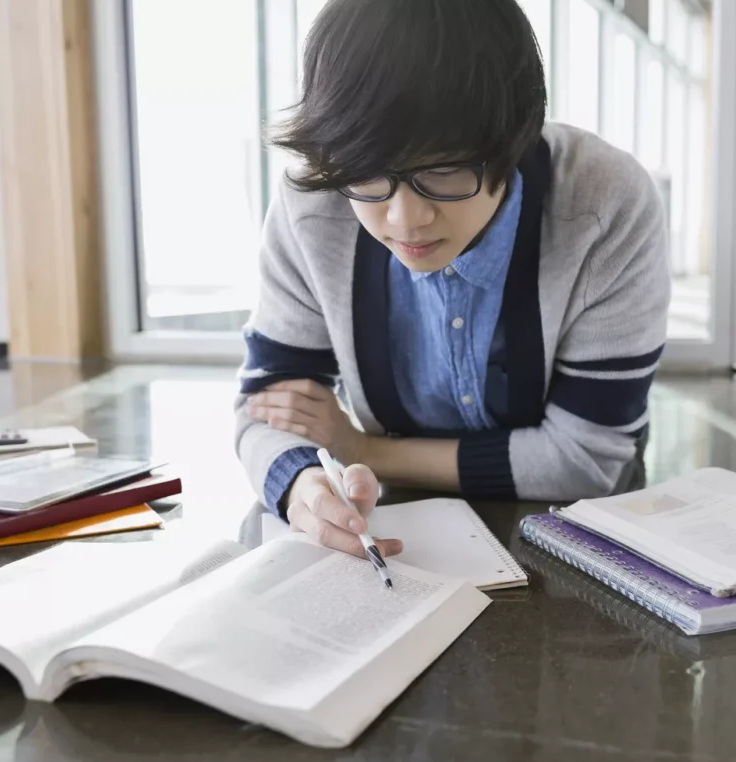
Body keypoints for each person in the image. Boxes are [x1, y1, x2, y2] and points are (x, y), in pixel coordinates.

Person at [235, 0, 670, 559]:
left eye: (443, 171)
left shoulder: (605, 203)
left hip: (573, 529)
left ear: (513, 141)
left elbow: (587, 461)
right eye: (369, 173)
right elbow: (268, 407)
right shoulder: (315, 198)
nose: (405, 218)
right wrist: (301, 484)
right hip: (395, 526)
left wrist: (360, 447)